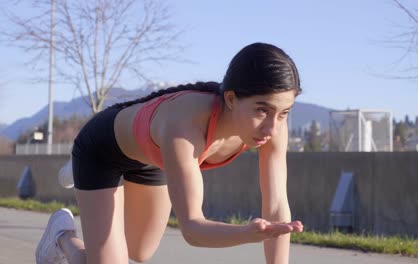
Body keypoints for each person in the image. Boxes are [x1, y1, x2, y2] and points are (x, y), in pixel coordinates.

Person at [36, 42, 304, 264]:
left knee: (139, 252)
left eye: (284, 113)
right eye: (262, 110)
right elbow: (192, 229)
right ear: (232, 99)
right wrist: (247, 234)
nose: (272, 126)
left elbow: (277, 206)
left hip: (153, 159)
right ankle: (61, 235)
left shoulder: (274, 126)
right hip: (103, 151)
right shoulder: (185, 125)